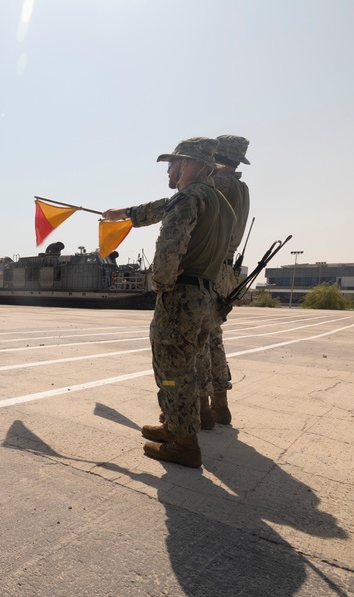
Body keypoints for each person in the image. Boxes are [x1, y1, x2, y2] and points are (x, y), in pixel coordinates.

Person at [102, 138, 234, 467]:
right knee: (184, 367)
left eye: (173, 164)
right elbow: (164, 206)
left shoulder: (189, 197)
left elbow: (170, 242)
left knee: (174, 370)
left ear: (190, 164)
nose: (169, 170)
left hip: (181, 298)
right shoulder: (221, 204)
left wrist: (160, 282)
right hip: (206, 297)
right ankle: (174, 426)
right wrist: (125, 213)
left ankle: (184, 443)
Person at [206, 135, 251, 425]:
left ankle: (198, 408)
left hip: (208, 267)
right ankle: (220, 403)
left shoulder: (220, 184)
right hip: (225, 270)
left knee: (196, 339)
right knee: (213, 338)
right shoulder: (242, 187)